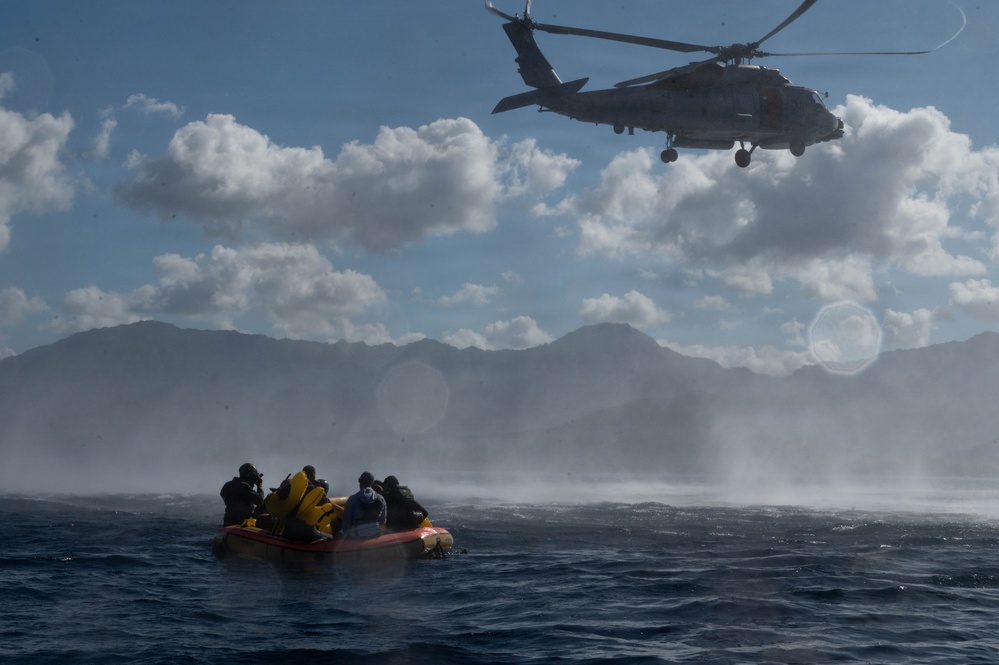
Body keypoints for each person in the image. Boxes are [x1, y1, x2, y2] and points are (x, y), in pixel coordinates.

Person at [341, 471, 386, 538]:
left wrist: (347, 537)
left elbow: (347, 521)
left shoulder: (353, 499)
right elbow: (383, 520)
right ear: (372, 483)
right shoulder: (381, 499)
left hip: (357, 535)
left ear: (361, 482)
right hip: (375, 534)